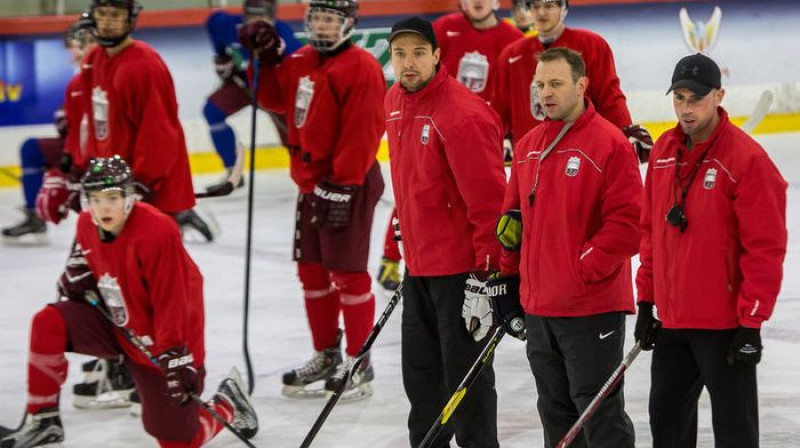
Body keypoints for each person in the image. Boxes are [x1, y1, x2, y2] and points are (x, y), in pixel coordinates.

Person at [0, 156, 258, 448]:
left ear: (129, 198)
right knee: (48, 322)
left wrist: (175, 354)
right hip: (119, 326)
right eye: (95, 199)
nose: (103, 207)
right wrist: (78, 279)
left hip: (166, 343)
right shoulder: (87, 223)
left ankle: (228, 405)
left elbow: (174, 301)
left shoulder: (158, 233)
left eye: (112, 197)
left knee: (178, 442)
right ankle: (42, 420)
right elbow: (93, 270)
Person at [489, 47, 640, 448]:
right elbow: (511, 222)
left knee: (599, 415)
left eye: (555, 83)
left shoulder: (610, 144)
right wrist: (507, 278)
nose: (546, 93)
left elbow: (627, 225)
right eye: (540, 85)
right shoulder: (528, 146)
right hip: (540, 308)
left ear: (581, 85)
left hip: (590, 307)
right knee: (555, 413)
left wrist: (580, 270)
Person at [634, 53, 787, 448]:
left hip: (725, 329)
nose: (686, 108)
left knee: (735, 434)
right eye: (679, 97)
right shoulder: (664, 153)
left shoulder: (748, 160)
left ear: (719, 95)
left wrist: (752, 322)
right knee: (666, 427)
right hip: (672, 325)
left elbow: (765, 248)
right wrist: (647, 301)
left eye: (696, 99)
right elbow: (651, 233)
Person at [238, 0, 385, 400]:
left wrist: (343, 183)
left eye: (330, 18)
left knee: (348, 274)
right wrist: (266, 59)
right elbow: (270, 98)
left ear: (349, 24)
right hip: (310, 185)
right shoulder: (302, 59)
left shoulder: (362, 67)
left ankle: (359, 360)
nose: (322, 24)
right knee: (313, 273)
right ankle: (327, 354)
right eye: (317, 17)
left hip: (347, 183)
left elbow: (364, 131)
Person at [386, 17, 506, 447]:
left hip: (461, 277)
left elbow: (489, 205)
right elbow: (408, 185)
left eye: (419, 52)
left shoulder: (462, 114)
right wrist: (395, 246)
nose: (409, 62)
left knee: (467, 390)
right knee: (422, 388)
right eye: (400, 53)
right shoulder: (394, 101)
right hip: (419, 271)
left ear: (437, 55)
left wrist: (485, 277)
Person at [79, 0, 215, 242]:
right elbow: (99, 123)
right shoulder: (96, 59)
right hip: (113, 188)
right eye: (102, 14)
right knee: (103, 270)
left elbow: (159, 133)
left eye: (116, 15)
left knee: (151, 273)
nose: (108, 21)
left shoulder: (144, 66)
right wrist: (91, 168)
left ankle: (180, 215)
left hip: (148, 190)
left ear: (130, 19)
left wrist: (141, 183)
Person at [491, 0, 653, 162]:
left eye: (549, 6)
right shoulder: (511, 55)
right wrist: (498, 139)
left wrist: (623, 131)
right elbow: (500, 110)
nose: (541, 13)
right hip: (531, 158)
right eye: (535, 6)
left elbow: (609, 96)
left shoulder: (591, 44)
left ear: (564, 9)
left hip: (582, 155)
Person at [1, 16, 95, 244]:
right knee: (33, 149)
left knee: (34, 149)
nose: (70, 53)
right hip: (79, 145)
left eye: (74, 46)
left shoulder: (96, 75)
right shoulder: (79, 79)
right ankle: (35, 215)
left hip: (95, 149)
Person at [202, 0, 302, 191]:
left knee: (293, 135)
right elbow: (213, 23)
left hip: (274, 92)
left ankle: (307, 173)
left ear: (272, 15)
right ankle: (233, 172)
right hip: (243, 86)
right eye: (251, 15)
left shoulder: (283, 33)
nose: (256, 21)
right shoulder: (225, 25)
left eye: (262, 15)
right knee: (212, 111)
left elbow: (295, 66)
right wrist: (222, 57)